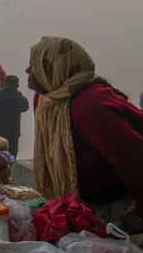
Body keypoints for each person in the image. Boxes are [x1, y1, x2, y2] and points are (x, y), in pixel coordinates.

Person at [28, 37, 143, 229]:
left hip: (116, 206)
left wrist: (139, 213)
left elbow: (134, 159)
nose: (28, 71)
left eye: (36, 65)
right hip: (79, 204)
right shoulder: (47, 100)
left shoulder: (90, 105)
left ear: (58, 70)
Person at [0, 75, 29, 156]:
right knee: (11, 159)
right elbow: (25, 108)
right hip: (13, 135)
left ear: (5, 84)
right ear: (16, 86)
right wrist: (19, 94)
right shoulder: (20, 99)